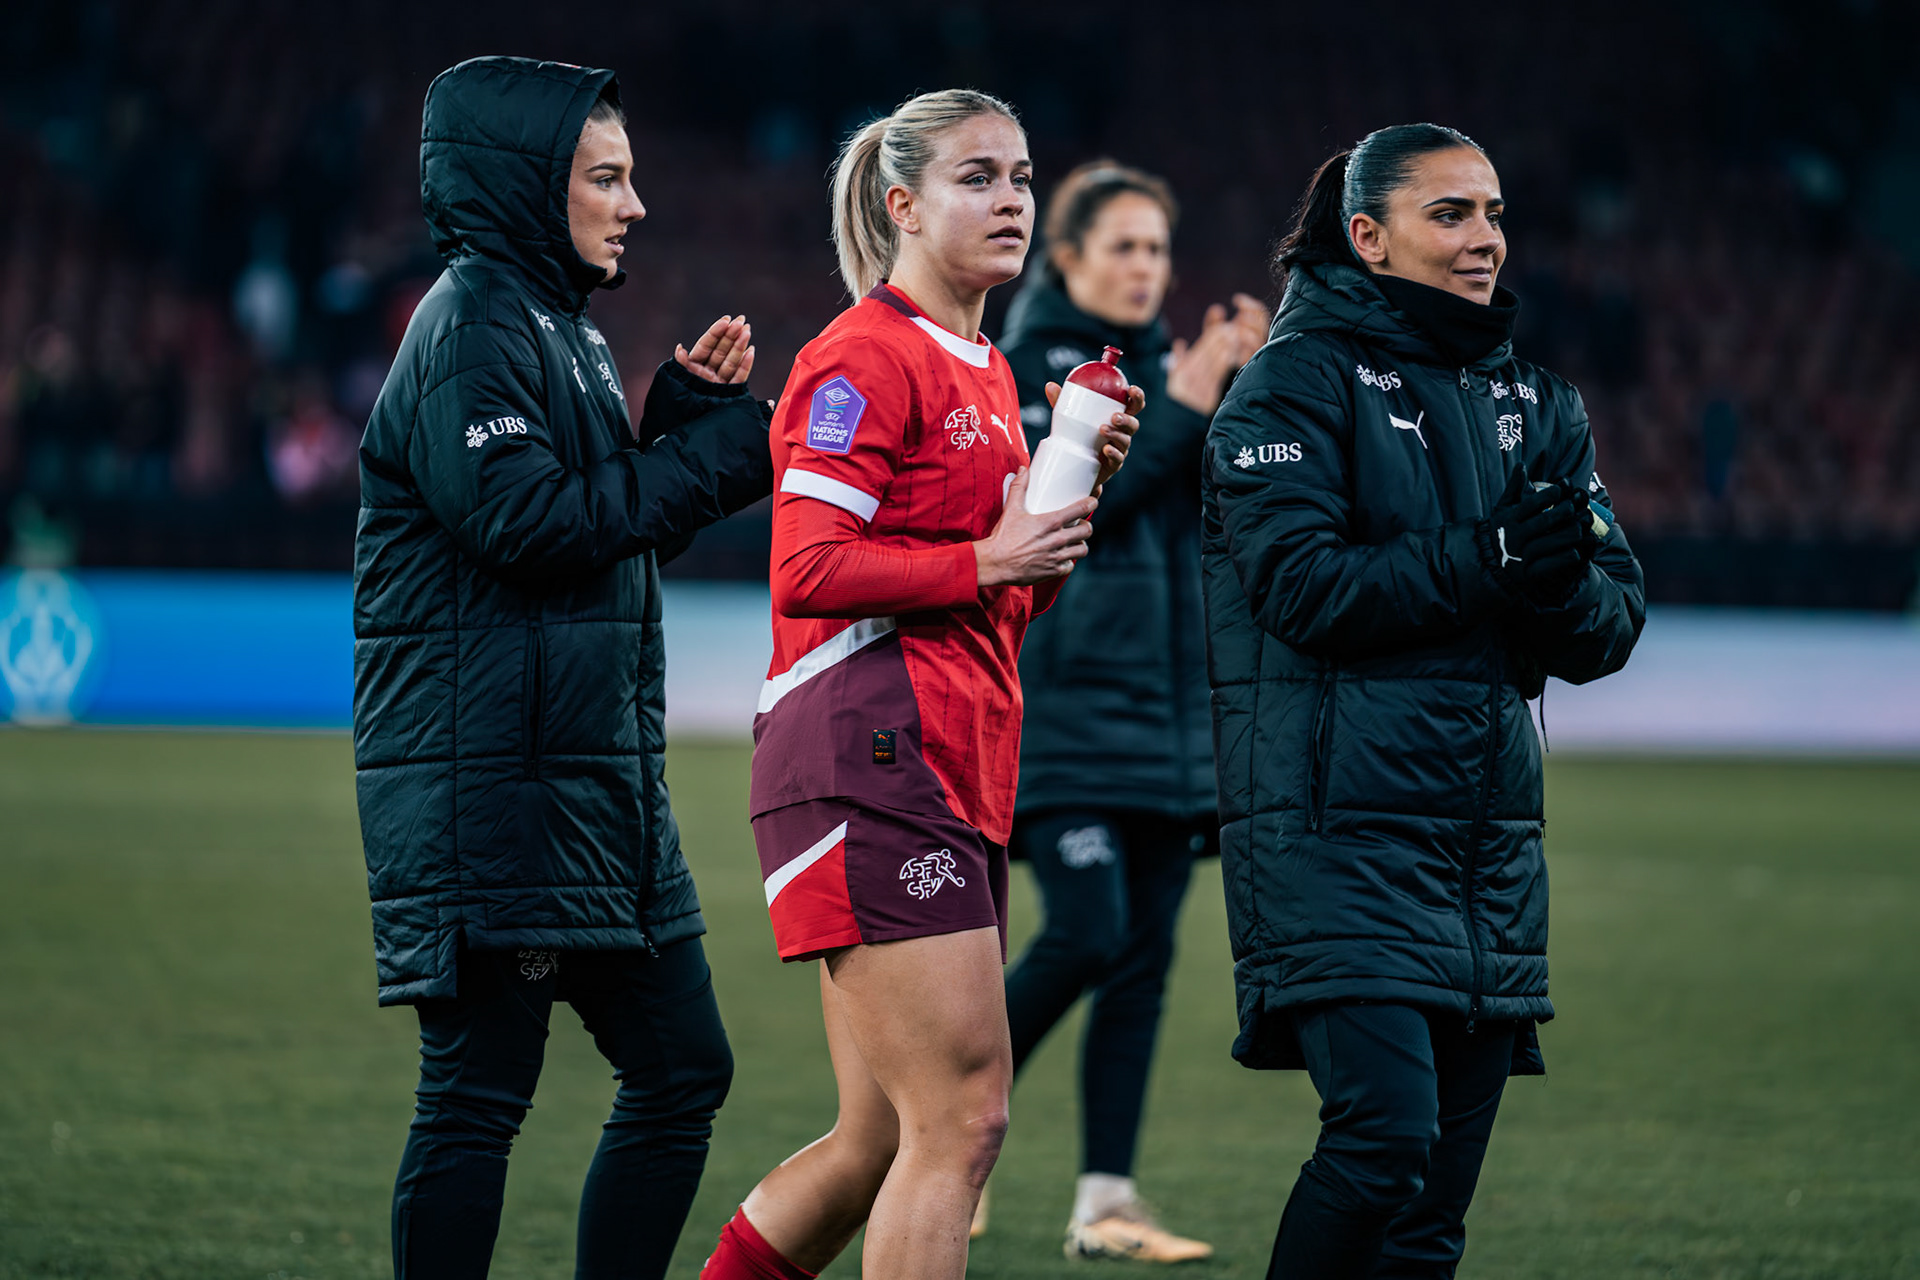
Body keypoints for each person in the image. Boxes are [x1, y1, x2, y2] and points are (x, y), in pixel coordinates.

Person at [698, 91, 1141, 1280]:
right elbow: (807, 566)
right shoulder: (862, 355)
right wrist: (988, 554)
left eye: (1021, 176)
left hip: (943, 761)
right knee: (962, 1120)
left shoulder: (993, 373)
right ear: (903, 204)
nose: (1010, 200)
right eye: (976, 178)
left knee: (879, 1137)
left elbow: (1000, 603)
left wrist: (1050, 521)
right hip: (869, 759)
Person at [351, 57, 774, 1279]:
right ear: (525, 184)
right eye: (605, 176)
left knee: (684, 1068)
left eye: (630, 175)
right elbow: (529, 529)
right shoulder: (471, 323)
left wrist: (675, 426)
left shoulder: (556, 326)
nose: (634, 203)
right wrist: (724, 460)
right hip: (498, 787)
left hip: (589, 783)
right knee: (478, 1096)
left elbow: (593, 535)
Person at [1201, 124, 1645, 1278]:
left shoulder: (1541, 401)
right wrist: (1493, 559)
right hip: (1332, 832)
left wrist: (1543, 581)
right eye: (1449, 214)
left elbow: (1611, 623)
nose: (1484, 238)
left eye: (1493, 212)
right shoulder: (1289, 387)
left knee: (1431, 1212)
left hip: (1485, 849)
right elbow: (1302, 589)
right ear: (1368, 235)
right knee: (1381, 1146)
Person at [986, 159, 1266, 1263]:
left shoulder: (1181, 371)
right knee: (1089, 929)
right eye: (1123, 247)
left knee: (1143, 958)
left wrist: (1245, 385)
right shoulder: (1027, 371)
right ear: (1067, 260)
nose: (1147, 268)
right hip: (1063, 708)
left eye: (1159, 248)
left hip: (1171, 717)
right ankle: (933, 1129)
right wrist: (1193, 403)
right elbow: (1081, 504)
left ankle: (1106, 1200)